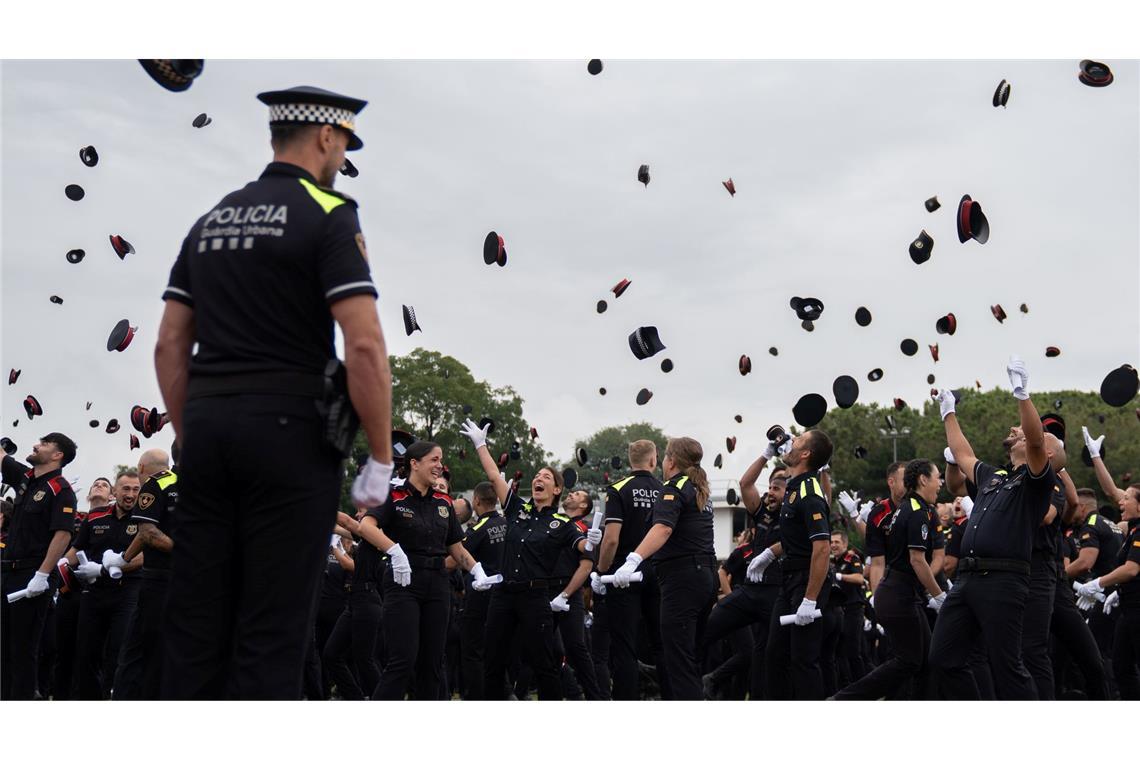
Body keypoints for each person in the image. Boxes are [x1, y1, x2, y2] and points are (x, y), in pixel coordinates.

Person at [154, 85, 394, 699]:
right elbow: (363, 345)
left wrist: (194, 433)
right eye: (342, 143)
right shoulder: (330, 211)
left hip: (206, 427)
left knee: (195, 620)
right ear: (324, 137)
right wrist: (381, 453)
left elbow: (169, 347)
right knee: (274, 624)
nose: (342, 155)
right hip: (288, 431)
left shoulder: (211, 218)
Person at [928, 358, 1064, 700]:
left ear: (1047, 451)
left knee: (1008, 667)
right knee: (943, 658)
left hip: (1004, 580)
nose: (1020, 433)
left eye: (1039, 436)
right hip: (968, 579)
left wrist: (1022, 395)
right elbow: (963, 454)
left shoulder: (1036, 482)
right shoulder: (996, 477)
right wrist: (948, 413)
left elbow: (1034, 443)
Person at [459, 418, 600, 700]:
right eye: (537, 476)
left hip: (535, 597)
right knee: (493, 662)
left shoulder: (562, 522)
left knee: (544, 664)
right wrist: (481, 445)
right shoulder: (516, 509)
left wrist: (590, 543)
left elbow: (580, 545)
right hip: (503, 595)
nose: (539, 479)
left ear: (557, 490)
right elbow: (494, 476)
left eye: (547, 477)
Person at [357, 440, 485, 700]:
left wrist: (476, 570)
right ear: (414, 464)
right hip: (404, 582)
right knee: (402, 661)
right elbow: (365, 527)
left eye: (441, 460)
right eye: (434, 460)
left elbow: (456, 548)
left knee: (432, 664)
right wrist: (394, 550)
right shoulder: (392, 495)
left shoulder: (444, 501)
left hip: (438, 584)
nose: (440, 465)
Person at [613, 437, 717, 700]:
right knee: (689, 657)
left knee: (678, 660)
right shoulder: (698, 486)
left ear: (670, 461)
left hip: (682, 579)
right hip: (704, 575)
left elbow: (663, 528)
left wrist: (633, 559)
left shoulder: (673, 487)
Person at [833, 459, 946, 699]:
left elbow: (935, 557)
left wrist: (930, 588)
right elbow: (909, 560)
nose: (941, 483)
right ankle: (844, 699)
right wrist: (938, 594)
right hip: (898, 593)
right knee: (908, 661)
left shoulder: (918, 509)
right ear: (923, 479)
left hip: (905, 592)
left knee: (924, 660)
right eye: (938, 477)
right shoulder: (915, 511)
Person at [745, 429, 835, 700]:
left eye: (797, 441)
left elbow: (822, 547)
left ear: (805, 454)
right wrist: (769, 555)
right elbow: (796, 537)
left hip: (807, 581)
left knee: (803, 660)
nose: (790, 442)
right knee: (775, 655)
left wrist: (810, 599)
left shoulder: (809, 492)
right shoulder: (794, 487)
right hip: (790, 579)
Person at [702, 456, 788, 700]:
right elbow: (745, 484)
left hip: (776, 593)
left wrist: (771, 553)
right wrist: (766, 454)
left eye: (776, 489)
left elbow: (820, 505)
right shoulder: (763, 514)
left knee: (771, 655)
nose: (770, 493)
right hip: (749, 592)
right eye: (769, 487)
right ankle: (675, 673)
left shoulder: (793, 514)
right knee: (707, 628)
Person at [1, 434, 78, 699]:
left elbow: (63, 534)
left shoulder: (61, 489)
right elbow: (1, 458)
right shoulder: (26, 477)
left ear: (58, 455)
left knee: (23, 650)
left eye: (44, 444)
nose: (35, 445)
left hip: (32, 577)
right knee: (4, 649)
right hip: (7, 572)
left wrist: (43, 574)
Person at [595, 439, 667, 700]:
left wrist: (601, 572)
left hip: (622, 575)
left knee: (624, 647)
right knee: (661, 644)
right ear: (653, 460)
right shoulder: (665, 490)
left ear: (630, 461)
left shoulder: (617, 490)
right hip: (658, 573)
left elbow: (611, 538)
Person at [68, 470, 144, 699]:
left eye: (135, 489)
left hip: (128, 593)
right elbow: (76, 549)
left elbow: (146, 556)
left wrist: (108, 568)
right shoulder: (95, 517)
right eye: (125, 489)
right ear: (115, 492)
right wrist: (59, 565)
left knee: (119, 651)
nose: (130, 494)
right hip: (94, 593)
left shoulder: (145, 518)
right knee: (86, 654)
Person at [110, 449, 177, 699]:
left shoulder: (154, 484)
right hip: (188, 579)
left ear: (140, 468)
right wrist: (124, 558)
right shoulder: (189, 483)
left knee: (139, 649)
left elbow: (147, 531)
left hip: (158, 580)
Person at [1073, 483, 1140, 698]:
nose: (1121, 501)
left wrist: (1098, 583)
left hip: (1137, 607)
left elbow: (1131, 569)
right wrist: (1118, 590)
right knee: (1121, 665)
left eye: (1127, 498)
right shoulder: (1133, 530)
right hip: (1127, 605)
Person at [52, 477, 107, 700]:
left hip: (97, 591)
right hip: (68, 590)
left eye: (104, 485)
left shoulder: (116, 519)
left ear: (112, 495)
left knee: (89, 652)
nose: (99, 487)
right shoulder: (76, 518)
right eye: (95, 484)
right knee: (63, 649)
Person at [323, 509, 386, 700]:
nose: (358, 513)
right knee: (331, 655)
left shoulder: (377, 533)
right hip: (354, 601)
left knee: (364, 659)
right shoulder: (364, 533)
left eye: (362, 510)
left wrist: (321, 500)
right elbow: (340, 527)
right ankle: (356, 699)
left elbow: (346, 521)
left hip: (368, 600)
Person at [549, 489, 603, 699]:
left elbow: (586, 566)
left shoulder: (583, 529)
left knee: (576, 648)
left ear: (584, 506)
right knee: (548, 649)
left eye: (578, 494)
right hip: (547, 591)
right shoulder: (555, 522)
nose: (571, 494)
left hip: (570, 595)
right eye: (571, 492)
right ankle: (570, 693)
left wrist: (565, 594)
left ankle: (594, 697)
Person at [458, 481, 506, 700]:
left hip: (480, 596)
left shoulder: (476, 530)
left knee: (473, 651)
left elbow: (454, 559)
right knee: (497, 649)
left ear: (476, 500)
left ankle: (475, 697)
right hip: (505, 596)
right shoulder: (509, 524)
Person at [829, 529, 869, 686]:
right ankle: (846, 685)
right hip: (838, 609)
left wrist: (840, 576)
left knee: (853, 651)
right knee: (839, 651)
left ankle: (864, 686)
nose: (833, 545)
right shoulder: (832, 561)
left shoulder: (852, 558)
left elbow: (859, 578)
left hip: (853, 608)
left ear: (845, 543)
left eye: (837, 542)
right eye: (831, 542)